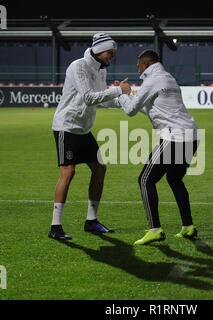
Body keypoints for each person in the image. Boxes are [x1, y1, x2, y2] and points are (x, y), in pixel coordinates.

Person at [49, 33, 131, 240]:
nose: (112, 56)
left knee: (100, 168)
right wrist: (117, 90)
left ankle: (91, 221)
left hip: (83, 129)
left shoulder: (100, 70)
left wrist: (123, 100)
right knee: (68, 173)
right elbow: (88, 97)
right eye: (110, 53)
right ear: (99, 50)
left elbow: (100, 100)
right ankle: (55, 226)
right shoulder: (79, 66)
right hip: (66, 126)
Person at [118, 50, 199, 245]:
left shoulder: (152, 80)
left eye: (139, 64)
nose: (137, 67)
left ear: (145, 64)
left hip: (174, 137)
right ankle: (188, 227)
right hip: (191, 135)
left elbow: (130, 110)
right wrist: (129, 96)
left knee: (145, 179)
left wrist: (123, 94)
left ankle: (154, 229)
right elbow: (152, 109)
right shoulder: (167, 77)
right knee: (174, 179)